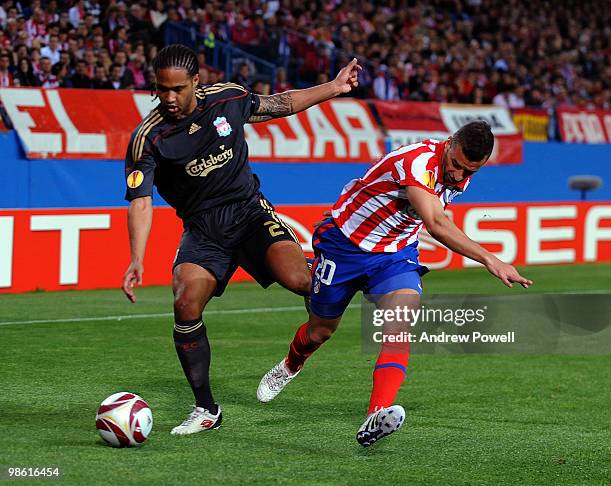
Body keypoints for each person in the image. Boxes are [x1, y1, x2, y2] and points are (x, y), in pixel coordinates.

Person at [122, 44, 361, 436]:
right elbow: (141, 202)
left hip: (250, 213)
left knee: (303, 282)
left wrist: (333, 87)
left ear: (195, 83)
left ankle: (309, 337)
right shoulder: (149, 137)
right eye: (161, 89)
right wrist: (136, 258)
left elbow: (280, 103)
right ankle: (206, 410)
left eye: (177, 89)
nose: (168, 98)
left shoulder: (227, 98)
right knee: (185, 303)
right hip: (204, 231)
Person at [257, 121, 533, 446]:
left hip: (394, 255)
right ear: (448, 144)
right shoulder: (417, 161)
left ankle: (376, 415)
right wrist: (490, 258)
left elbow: (433, 216)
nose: (458, 175)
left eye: (469, 170)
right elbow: (435, 221)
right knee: (320, 331)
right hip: (344, 245)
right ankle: (291, 364)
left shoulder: (460, 175)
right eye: (456, 164)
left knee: (400, 323)